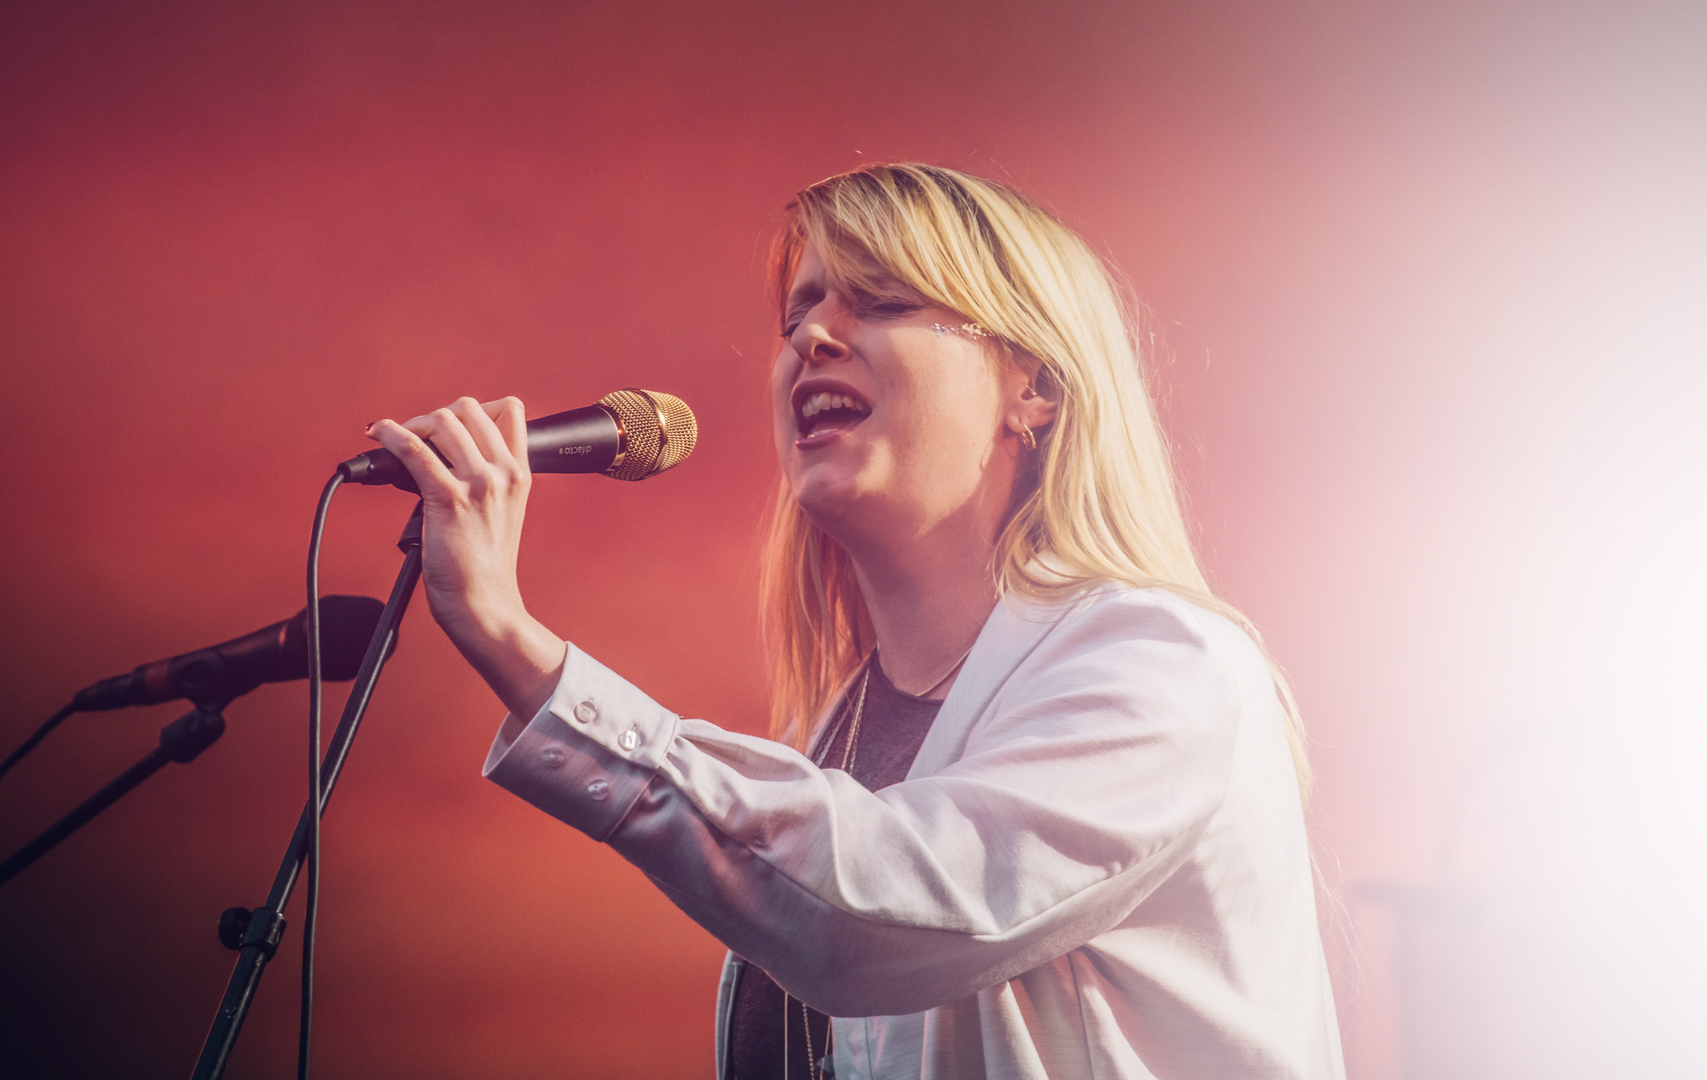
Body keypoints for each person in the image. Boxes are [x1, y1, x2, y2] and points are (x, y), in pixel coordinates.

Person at [368, 163, 1344, 1080]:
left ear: (1034, 386)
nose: (813, 338)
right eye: (800, 313)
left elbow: (883, 910)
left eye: (882, 300)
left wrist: (511, 638)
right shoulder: (837, 736)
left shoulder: (1165, 666)